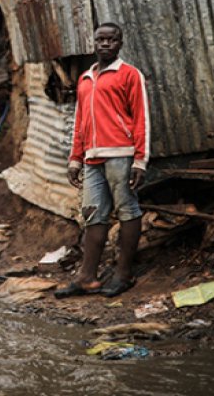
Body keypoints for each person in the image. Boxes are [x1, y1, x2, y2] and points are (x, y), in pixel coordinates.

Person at [54, 22, 150, 299]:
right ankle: (86, 277)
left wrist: (140, 160)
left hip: (121, 154)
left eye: (111, 40)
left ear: (120, 43)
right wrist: (75, 159)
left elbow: (141, 118)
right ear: (93, 43)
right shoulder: (86, 79)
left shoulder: (130, 75)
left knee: (126, 210)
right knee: (92, 215)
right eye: (100, 40)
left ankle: (124, 274)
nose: (105, 44)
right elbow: (80, 123)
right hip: (91, 160)